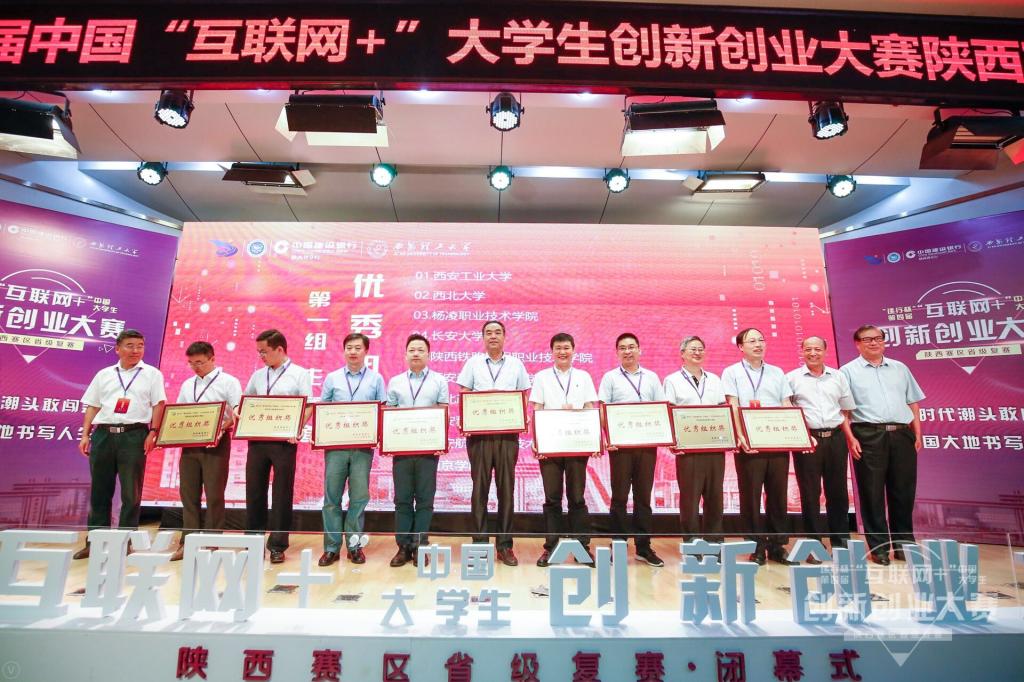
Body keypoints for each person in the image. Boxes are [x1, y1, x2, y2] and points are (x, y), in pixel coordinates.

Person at [74, 329, 167, 560]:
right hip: (103, 435)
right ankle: (95, 542)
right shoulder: (104, 374)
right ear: (117, 349)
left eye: (140, 346)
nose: (136, 350)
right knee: (99, 491)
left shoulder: (152, 374)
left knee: (131, 493)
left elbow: (158, 404)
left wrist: (153, 432)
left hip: (134, 435)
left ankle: (126, 542)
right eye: (130, 345)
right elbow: (93, 405)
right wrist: (85, 435)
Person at [841, 325, 925, 566]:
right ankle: (879, 548)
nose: (874, 343)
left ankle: (904, 545)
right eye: (867, 339)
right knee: (872, 493)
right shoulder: (847, 371)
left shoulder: (900, 368)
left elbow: (913, 403)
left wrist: (917, 433)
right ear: (857, 344)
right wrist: (851, 438)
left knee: (903, 491)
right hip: (868, 434)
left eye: (878, 338)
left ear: (884, 341)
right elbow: (844, 411)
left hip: (902, 434)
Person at [456, 320, 531, 567]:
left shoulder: (516, 364)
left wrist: (519, 417)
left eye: (497, 332)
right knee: (479, 490)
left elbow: (524, 396)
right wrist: (468, 419)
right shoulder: (473, 363)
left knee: (506, 490)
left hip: (508, 437)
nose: (493, 336)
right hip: (479, 437)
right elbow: (464, 394)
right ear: (483, 338)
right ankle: (479, 545)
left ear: (505, 337)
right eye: (488, 333)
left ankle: (505, 545)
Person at [722, 327, 796, 566]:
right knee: (750, 496)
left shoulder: (777, 372)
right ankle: (755, 546)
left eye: (761, 340)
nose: (758, 344)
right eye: (752, 341)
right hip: (749, 443)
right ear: (740, 347)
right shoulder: (731, 372)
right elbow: (733, 405)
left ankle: (777, 545)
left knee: (778, 494)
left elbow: (786, 404)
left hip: (776, 441)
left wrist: (796, 435)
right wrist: (740, 435)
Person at [243, 329, 313, 564]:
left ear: (280, 349)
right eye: (259, 352)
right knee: (254, 491)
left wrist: (297, 428)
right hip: (257, 440)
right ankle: (253, 541)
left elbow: (308, 406)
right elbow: (246, 401)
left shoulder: (300, 374)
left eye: (264, 351)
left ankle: (277, 545)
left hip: (284, 442)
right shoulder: (258, 375)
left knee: (282, 492)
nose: (261, 356)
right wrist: (240, 412)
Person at [528, 332, 599, 568]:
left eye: (566, 347)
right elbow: (537, 409)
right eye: (558, 348)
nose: (562, 352)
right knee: (552, 498)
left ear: (573, 350)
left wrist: (592, 440)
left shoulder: (583, 376)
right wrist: (537, 441)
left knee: (577, 497)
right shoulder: (541, 377)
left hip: (577, 444)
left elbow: (589, 407)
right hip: (550, 445)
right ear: (552, 352)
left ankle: (582, 548)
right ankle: (551, 548)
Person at [597, 332, 666, 567]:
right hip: (620, 447)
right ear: (617, 352)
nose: (628, 351)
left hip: (646, 445)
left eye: (632, 347)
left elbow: (661, 408)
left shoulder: (651, 377)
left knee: (643, 497)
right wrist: (608, 437)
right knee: (619, 497)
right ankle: (618, 544)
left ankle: (643, 547)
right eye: (623, 348)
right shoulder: (610, 378)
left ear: (639, 350)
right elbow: (603, 411)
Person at [170, 341, 243, 561]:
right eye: (191, 363)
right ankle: (188, 541)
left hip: (217, 443)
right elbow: (179, 413)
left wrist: (222, 427)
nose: (196, 367)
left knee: (214, 493)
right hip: (190, 444)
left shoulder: (229, 381)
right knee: (188, 493)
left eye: (200, 362)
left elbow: (237, 411)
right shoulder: (187, 384)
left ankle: (212, 540)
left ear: (212, 359)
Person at [318, 332, 386, 566]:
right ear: (344, 350)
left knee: (358, 498)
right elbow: (323, 409)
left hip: (362, 448)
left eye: (358, 348)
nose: (353, 352)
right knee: (331, 498)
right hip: (336, 447)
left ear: (366, 351)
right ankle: (331, 548)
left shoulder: (376, 379)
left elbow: (382, 410)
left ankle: (355, 546)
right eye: (349, 347)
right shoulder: (332, 378)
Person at [786, 336, 856, 561]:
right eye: (808, 349)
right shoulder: (791, 378)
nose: (813, 353)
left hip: (835, 438)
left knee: (838, 493)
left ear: (825, 351)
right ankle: (814, 544)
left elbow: (845, 410)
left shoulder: (838, 376)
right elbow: (788, 410)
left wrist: (849, 438)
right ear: (802, 351)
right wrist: (803, 436)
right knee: (810, 493)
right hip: (807, 440)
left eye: (817, 349)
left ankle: (841, 543)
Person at [385, 334, 450, 567]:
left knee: (425, 500)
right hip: (401, 449)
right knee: (402, 499)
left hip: (427, 450)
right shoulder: (395, 382)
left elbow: (444, 412)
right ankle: (403, 547)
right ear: (405, 354)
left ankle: (420, 546)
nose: (416, 353)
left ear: (428, 354)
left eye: (421, 350)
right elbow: (389, 414)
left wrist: (440, 441)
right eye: (412, 349)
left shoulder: (439, 381)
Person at [663, 335, 727, 543]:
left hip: (714, 447)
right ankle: (692, 543)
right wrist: (673, 441)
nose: (697, 352)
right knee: (690, 498)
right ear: (682, 354)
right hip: (688, 450)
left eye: (700, 349)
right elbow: (669, 412)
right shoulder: (672, 380)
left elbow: (722, 410)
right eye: (693, 349)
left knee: (715, 497)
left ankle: (715, 541)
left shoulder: (715, 379)